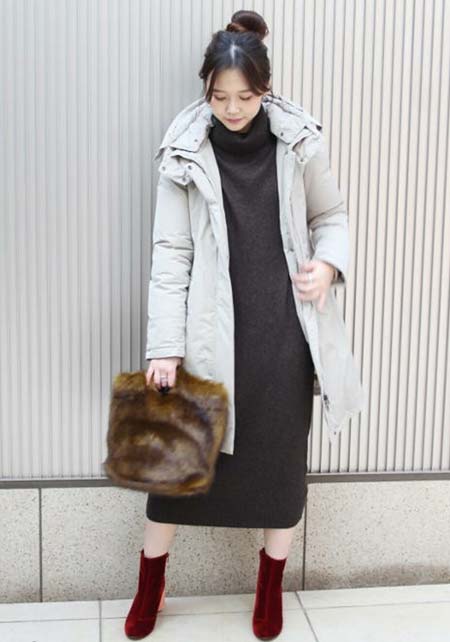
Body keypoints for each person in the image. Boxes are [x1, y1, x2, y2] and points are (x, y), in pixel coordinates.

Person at [124, 9, 364, 640]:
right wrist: (164, 348)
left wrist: (327, 265)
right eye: (220, 96)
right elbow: (171, 255)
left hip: (283, 336)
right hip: (208, 336)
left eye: (245, 96)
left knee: (279, 471)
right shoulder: (183, 151)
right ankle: (151, 580)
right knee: (176, 470)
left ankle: (269, 584)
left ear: (265, 89)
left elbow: (331, 217)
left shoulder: (299, 141)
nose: (232, 109)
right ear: (205, 88)